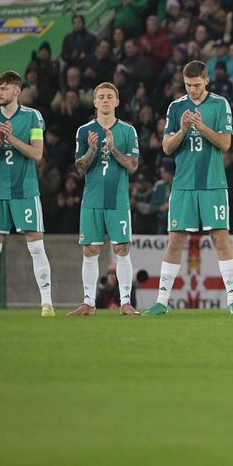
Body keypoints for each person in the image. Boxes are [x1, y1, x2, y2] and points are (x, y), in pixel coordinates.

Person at [145, 61, 233, 315]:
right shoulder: (176, 107)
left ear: (206, 81)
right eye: (188, 85)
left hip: (213, 183)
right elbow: (167, 147)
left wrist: (201, 127)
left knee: (220, 238)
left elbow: (225, 143)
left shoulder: (219, 104)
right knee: (175, 240)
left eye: (197, 85)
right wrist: (183, 129)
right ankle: (161, 302)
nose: (192, 89)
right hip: (183, 185)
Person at [0, 71, 53, 317]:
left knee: (36, 247)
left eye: (4, 88)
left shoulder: (32, 117)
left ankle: (47, 303)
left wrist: (10, 138)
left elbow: (37, 154)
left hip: (25, 190)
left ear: (17, 91)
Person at [70, 82, 142, 315]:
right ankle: (89, 302)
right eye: (101, 97)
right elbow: (80, 167)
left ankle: (125, 302)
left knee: (121, 248)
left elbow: (132, 166)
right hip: (92, 199)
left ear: (117, 102)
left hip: (117, 200)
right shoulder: (84, 131)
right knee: (90, 249)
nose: (105, 100)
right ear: (94, 102)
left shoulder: (128, 131)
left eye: (110, 97)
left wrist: (113, 149)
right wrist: (92, 150)